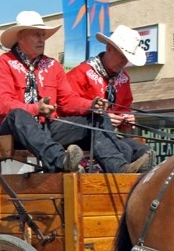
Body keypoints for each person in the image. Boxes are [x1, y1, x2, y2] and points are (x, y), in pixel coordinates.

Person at [0, 11, 149, 173]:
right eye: (36, 35)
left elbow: (67, 100)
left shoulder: (53, 65)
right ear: (21, 37)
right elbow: (2, 104)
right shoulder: (3, 63)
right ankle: (60, 160)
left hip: (47, 128)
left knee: (97, 117)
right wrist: (36, 109)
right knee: (19, 114)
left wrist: (91, 105)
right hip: (13, 132)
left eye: (43, 35)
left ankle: (119, 168)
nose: (42, 39)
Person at [63, 24, 155, 171]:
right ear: (109, 49)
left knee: (142, 150)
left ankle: (141, 185)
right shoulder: (81, 73)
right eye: (122, 56)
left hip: (107, 137)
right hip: (83, 134)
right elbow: (65, 106)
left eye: (127, 58)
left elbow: (124, 110)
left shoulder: (124, 79)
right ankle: (120, 176)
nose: (124, 62)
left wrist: (126, 119)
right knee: (125, 149)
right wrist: (102, 117)